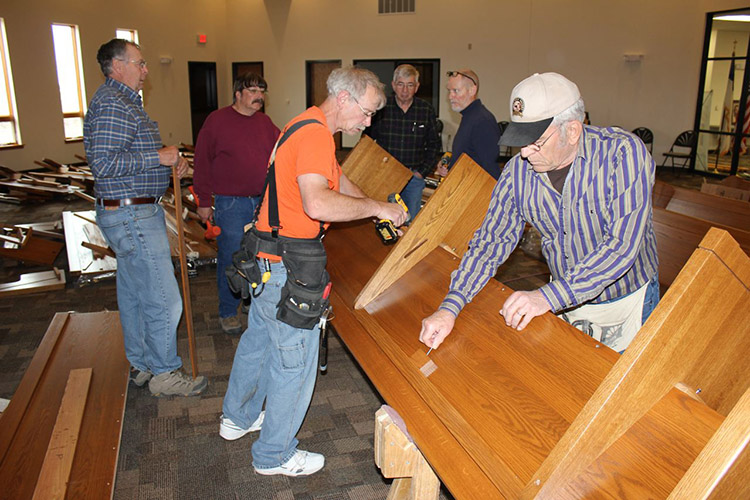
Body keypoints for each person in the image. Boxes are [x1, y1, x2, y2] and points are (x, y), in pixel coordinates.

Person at [220, 67, 407, 477]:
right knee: (294, 362)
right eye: (368, 111)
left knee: (260, 342)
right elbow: (319, 204)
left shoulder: (304, 123)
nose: (368, 121)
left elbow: (337, 180)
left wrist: (378, 204)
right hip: (288, 266)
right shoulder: (316, 135)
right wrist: (377, 209)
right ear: (344, 99)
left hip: (267, 260)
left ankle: (237, 416)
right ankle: (274, 455)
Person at [420, 72, 659, 354]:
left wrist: (547, 296)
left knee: (624, 391)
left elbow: (620, 247)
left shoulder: (621, 154)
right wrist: (450, 307)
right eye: (520, 141)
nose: (524, 153)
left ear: (572, 130)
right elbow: (490, 244)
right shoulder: (518, 173)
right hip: (565, 299)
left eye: (536, 142)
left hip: (626, 298)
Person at [84, 39, 207, 397]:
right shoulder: (112, 103)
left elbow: (135, 154)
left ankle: (142, 363)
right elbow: (104, 164)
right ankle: (165, 374)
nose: (145, 70)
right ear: (117, 67)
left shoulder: (123, 102)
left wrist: (173, 163)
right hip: (131, 214)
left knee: (137, 294)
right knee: (163, 298)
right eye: (140, 63)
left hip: (131, 211)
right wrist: (158, 158)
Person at [193, 73, 280, 335]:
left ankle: (250, 301)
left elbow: (281, 149)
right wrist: (204, 201)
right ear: (238, 94)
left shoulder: (265, 123)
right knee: (231, 258)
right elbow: (202, 163)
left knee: (259, 257)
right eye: (252, 90)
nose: (259, 96)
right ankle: (228, 311)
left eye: (262, 91)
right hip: (230, 204)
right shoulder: (217, 121)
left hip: (260, 202)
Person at [363, 64, 440, 218]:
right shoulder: (381, 109)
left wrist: (421, 173)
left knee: (410, 221)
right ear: (393, 85)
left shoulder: (425, 110)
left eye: (410, 85)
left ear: (416, 87)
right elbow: (367, 142)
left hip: (414, 177)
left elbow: (434, 145)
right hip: (385, 175)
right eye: (400, 84)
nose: (405, 90)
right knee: (384, 219)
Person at [436, 69, 500, 179]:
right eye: (449, 91)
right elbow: (470, 155)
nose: (450, 96)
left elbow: (489, 168)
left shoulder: (482, 121)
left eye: (456, 91)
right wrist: (449, 166)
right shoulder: (469, 117)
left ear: (472, 90)